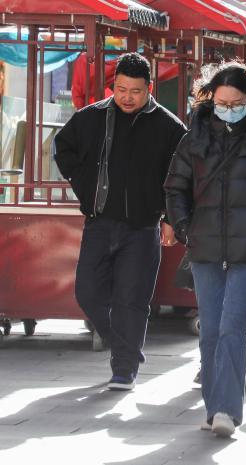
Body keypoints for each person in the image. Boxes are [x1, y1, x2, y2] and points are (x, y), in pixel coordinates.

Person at [164, 62, 246, 437]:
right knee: (210, 330)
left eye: (236, 103)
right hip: (205, 247)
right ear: (211, 99)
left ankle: (226, 410)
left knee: (232, 326)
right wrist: (185, 228)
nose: (229, 108)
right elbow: (175, 187)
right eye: (222, 102)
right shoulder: (194, 138)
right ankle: (214, 406)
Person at [54, 53, 186, 391]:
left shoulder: (170, 127)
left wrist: (170, 217)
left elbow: (182, 177)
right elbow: (62, 147)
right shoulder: (91, 117)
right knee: (87, 292)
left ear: (149, 89)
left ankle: (124, 369)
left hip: (142, 228)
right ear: (114, 86)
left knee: (132, 298)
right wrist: (84, 184)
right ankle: (123, 344)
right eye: (121, 89)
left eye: (135, 91)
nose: (127, 97)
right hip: (99, 223)